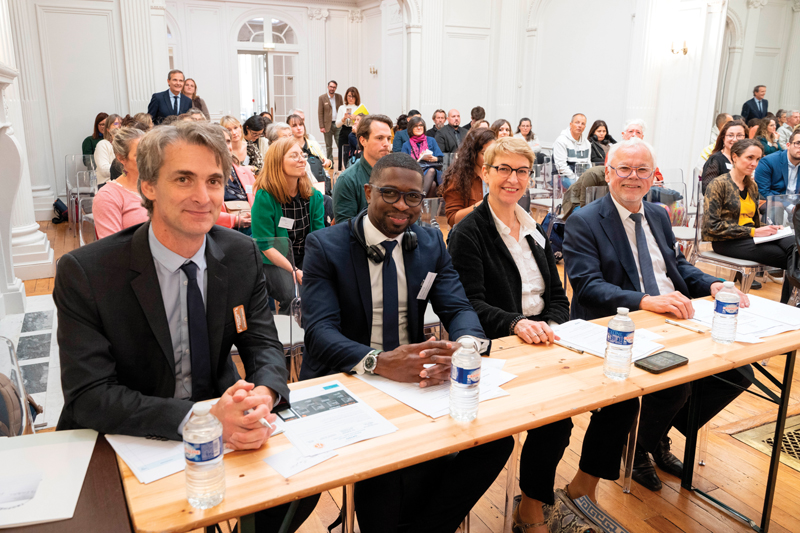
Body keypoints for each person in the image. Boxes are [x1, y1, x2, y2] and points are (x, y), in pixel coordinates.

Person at [54, 121, 318, 532]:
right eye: (183, 179)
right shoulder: (87, 272)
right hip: (121, 438)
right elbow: (89, 396)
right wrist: (206, 417)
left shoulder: (241, 254)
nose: (203, 196)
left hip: (219, 426)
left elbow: (263, 344)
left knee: (303, 485)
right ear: (148, 186)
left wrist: (263, 396)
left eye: (214, 181)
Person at [300, 152, 514, 533]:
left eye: (412, 197)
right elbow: (320, 333)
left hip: (414, 381)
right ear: (369, 192)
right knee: (387, 471)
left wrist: (466, 348)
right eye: (390, 193)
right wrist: (379, 362)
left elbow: (458, 307)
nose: (402, 205)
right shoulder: (326, 246)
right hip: (349, 377)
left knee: (496, 443)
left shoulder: (430, 242)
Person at [448, 136, 638, 533]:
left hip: (548, 338)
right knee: (555, 418)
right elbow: (470, 304)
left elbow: (557, 295)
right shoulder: (469, 232)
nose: (512, 179)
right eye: (503, 169)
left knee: (622, 396)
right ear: (486, 173)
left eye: (521, 171)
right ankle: (531, 508)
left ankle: (582, 490)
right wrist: (518, 324)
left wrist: (550, 326)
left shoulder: (533, 227)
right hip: (502, 343)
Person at [563, 137, 755, 492]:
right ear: (609, 173)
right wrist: (645, 301)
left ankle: (649, 435)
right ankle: (640, 446)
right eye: (624, 168)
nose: (633, 177)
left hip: (674, 315)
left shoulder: (658, 214)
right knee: (677, 384)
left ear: (653, 177)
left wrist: (713, 284)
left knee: (738, 373)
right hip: (622, 322)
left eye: (642, 170)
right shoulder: (584, 221)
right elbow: (588, 287)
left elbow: (676, 265)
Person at [705, 139, 796, 302]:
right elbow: (712, 227)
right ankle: (790, 304)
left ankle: (791, 303)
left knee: (795, 245)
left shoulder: (752, 186)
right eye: (750, 158)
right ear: (735, 157)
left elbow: (753, 222)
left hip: (751, 236)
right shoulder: (718, 184)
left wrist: (771, 228)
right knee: (795, 257)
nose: (754, 163)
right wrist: (754, 231)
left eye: (758, 159)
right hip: (727, 241)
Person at [251, 137, 324, 312]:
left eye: (302, 155)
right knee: (294, 297)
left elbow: (319, 236)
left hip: (305, 256)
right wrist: (294, 270)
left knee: (322, 290)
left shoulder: (313, 196)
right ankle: (290, 329)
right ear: (278, 162)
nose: (302, 160)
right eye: (294, 156)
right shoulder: (265, 197)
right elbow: (265, 246)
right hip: (274, 260)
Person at [332, 114, 393, 224]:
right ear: (363, 140)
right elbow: (345, 229)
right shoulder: (347, 180)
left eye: (388, 138)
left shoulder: (397, 174)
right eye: (379, 138)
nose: (386, 144)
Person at [93, 127, 148, 238]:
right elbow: (112, 246)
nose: (148, 159)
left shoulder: (160, 187)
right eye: (139, 155)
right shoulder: (108, 197)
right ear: (122, 158)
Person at [441, 127, 496, 226]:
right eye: (484, 153)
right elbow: (453, 219)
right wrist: (484, 204)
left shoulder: (496, 173)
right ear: (472, 154)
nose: (490, 158)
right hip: (470, 231)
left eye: (493, 153)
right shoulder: (458, 178)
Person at [216, 125, 255, 236]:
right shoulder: (205, 175)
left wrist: (255, 216)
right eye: (220, 142)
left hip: (251, 226)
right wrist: (235, 220)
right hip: (223, 232)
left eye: (228, 141)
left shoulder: (246, 172)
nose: (226, 146)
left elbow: (259, 204)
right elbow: (204, 214)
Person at [400, 116, 444, 198]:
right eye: (416, 126)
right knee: (433, 185)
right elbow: (403, 164)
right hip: (414, 173)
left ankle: (418, 198)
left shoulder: (431, 140)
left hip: (430, 171)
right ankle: (422, 202)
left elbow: (441, 159)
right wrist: (418, 161)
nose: (419, 128)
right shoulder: (406, 145)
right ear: (411, 129)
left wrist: (433, 158)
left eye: (421, 125)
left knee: (431, 170)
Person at [287, 113, 333, 188]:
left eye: (301, 125)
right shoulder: (288, 147)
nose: (299, 128)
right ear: (289, 129)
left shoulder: (313, 144)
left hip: (319, 184)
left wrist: (328, 162)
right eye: (294, 126)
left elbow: (326, 163)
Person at [701, 119, 747, 193]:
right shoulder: (715, 160)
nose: (735, 139)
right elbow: (708, 190)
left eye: (739, 135)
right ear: (723, 138)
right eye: (730, 135)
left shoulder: (747, 160)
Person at [757, 129, 800, 199]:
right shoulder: (768, 162)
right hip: (776, 203)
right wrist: (787, 204)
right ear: (788, 145)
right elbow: (764, 191)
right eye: (798, 143)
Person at [552, 113, 590, 188]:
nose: (580, 125)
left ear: (585, 127)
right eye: (577, 122)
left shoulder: (587, 143)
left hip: (580, 177)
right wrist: (576, 179)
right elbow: (561, 167)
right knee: (579, 188)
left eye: (583, 124)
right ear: (571, 124)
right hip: (563, 177)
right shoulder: (561, 141)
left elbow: (588, 163)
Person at [336, 86, 361, 170]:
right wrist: (343, 118)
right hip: (344, 130)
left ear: (356, 97)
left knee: (353, 151)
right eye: (349, 96)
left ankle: (352, 169)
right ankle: (340, 170)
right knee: (341, 152)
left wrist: (355, 118)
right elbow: (337, 125)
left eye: (353, 96)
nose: (351, 98)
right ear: (346, 96)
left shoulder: (359, 107)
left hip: (354, 131)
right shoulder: (342, 108)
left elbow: (365, 121)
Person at [94, 114, 122, 184]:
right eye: (116, 124)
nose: (119, 126)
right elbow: (103, 170)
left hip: (122, 183)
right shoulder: (103, 144)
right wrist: (124, 170)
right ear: (108, 129)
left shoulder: (125, 145)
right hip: (106, 184)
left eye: (121, 123)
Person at [318, 80, 343, 161]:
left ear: (336, 88)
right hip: (327, 125)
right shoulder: (322, 98)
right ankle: (330, 162)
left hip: (338, 124)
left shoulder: (339, 97)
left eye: (334, 87)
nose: (332, 88)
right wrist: (321, 126)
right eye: (331, 86)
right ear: (328, 87)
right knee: (328, 146)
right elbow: (320, 113)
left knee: (340, 144)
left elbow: (342, 110)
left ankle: (341, 162)